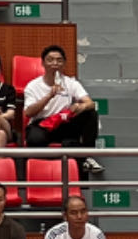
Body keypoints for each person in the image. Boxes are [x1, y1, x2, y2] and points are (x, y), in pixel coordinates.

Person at [21, 44, 100, 172]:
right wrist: (49, 96)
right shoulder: (33, 86)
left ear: (64, 64)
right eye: (50, 60)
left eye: (59, 60)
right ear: (43, 63)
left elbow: (90, 103)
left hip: (63, 123)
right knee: (35, 139)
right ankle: (39, 170)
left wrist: (81, 106)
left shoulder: (70, 83)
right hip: (42, 125)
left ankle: (87, 157)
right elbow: (29, 112)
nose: (55, 64)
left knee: (90, 113)